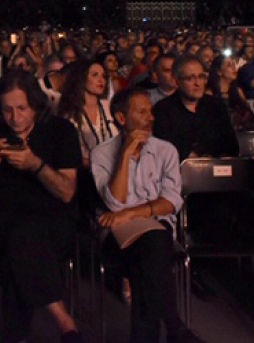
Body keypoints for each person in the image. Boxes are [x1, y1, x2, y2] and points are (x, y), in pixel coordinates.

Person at [0, 69, 82, 343]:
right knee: (16, 239)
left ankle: (18, 336)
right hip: (2, 224)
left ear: (35, 105)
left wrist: (36, 165)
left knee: (19, 244)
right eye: (7, 110)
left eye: (22, 108)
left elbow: (67, 193)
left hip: (52, 223)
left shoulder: (61, 131)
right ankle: (65, 324)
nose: (15, 117)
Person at [91, 87, 204, 343]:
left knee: (150, 254)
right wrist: (125, 155)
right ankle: (174, 326)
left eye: (151, 111)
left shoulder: (166, 150)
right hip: (119, 236)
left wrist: (132, 213)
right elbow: (114, 202)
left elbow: (172, 201)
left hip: (156, 230)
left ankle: (159, 333)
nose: (150, 117)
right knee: (153, 254)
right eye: (142, 112)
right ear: (121, 118)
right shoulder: (101, 153)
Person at [153, 54, 238, 161]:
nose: (197, 83)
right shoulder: (163, 110)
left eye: (201, 77)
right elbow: (165, 149)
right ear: (176, 81)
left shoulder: (216, 106)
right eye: (190, 78)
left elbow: (231, 146)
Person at [57, 59, 118, 167]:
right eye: (95, 75)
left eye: (103, 76)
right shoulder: (70, 114)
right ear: (82, 78)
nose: (101, 80)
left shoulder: (110, 106)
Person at [207, 54, 254, 131]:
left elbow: (248, 114)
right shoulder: (210, 93)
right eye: (228, 65)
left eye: (234, 65)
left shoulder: (238, 91)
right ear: (219, 71)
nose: (233, 68)